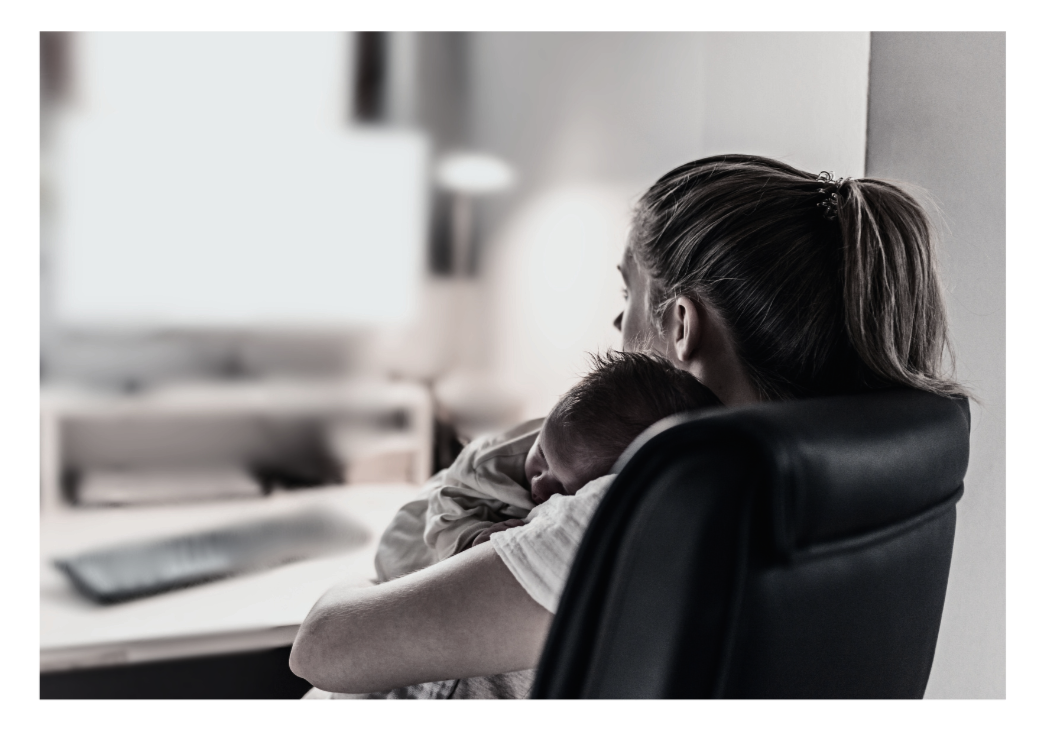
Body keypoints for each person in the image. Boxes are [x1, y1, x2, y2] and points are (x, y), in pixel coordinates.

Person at [290, 155, 965, 700]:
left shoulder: (657, 505)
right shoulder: (834, 474)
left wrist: (354, 589)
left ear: (678, 324)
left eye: (628, 295)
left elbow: (323, 648)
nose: (618, 327)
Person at [374, 350, 721, 583]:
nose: (540, 484)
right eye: (540, 459)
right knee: (400, 561)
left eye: (562, 488)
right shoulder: (489, 465)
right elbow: (446, 506)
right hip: (426, 520)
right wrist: (472, 538)